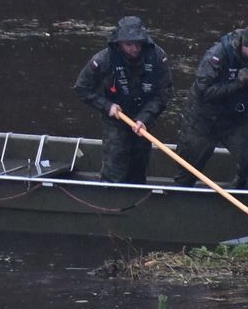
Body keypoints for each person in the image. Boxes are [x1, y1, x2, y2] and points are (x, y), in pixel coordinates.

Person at [173, 22, 248, 189]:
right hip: (203, 121)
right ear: (245, 46)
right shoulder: (217, 55)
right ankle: (177, 202)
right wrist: (236, 84)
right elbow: (204, 93)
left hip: (234, 121)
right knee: (189, 170)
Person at [73, 16, 174, 184]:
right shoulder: (104, 59)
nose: (134, 49)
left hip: (143, 120)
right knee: (115, 166)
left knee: (139, 167)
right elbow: (82, 88)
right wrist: (106, 106)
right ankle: (110, 199)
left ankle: (134, 202)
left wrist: (145, 118)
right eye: (129, 44)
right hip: (115, 120)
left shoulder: (157, 57)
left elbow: (164, 93)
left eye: (138, 44)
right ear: (119, 43)